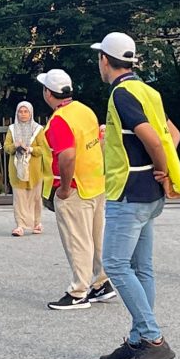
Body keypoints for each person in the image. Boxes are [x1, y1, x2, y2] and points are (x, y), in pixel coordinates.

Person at [92, 32, 180, 359]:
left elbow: (151, 137)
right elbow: (172, 135)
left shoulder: (121, 93)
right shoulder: (149, 91)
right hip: (150, 193)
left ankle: (153, 339)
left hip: (128, 192)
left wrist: (160, 166)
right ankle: (136, 342)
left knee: (115, 265)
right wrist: (162, 172)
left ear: (105, 59)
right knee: (141, 269)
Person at [38, 69, 116, 312]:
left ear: (48, 93)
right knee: (96, 237)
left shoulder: (60, 119)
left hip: (75, 188)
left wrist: (62, 187)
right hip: (95, 184)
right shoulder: (85, 110)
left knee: (77, 240)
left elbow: (67, 155)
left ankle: (78, 291)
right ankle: (102, 282)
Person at [3, 101, 48, 236]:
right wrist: (15, 146)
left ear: (30, 113)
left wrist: (30, 149)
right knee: (19, 198)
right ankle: (20, 225)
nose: (23, 114)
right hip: (17, 169)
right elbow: (6, 147)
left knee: (35, 197)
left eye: (25, 111)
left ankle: (37, 223)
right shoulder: (12, 129)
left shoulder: (38, 129)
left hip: (34, 170)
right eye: (20, 112)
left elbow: (43, 149)